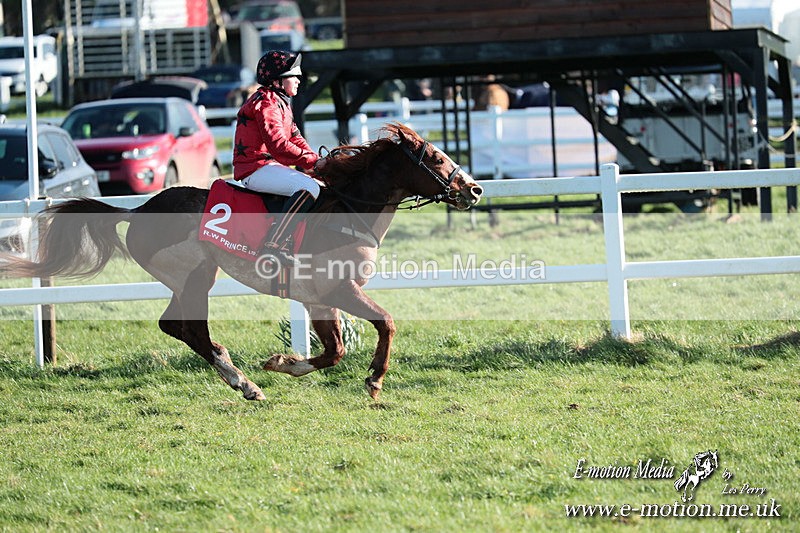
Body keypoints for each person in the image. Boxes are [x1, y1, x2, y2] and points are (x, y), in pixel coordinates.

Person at [233, 49, 326, 266]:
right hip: (255, 169)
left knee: (319, 185)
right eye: (294, 76)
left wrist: (318, 163)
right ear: (277, 80)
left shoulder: (280, 101)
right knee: (309, 189)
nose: (299, 80)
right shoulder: (266, 103)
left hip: (267, 167)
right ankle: (273, 246)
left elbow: (295, 138)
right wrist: (313, 162)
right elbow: (279, 145)